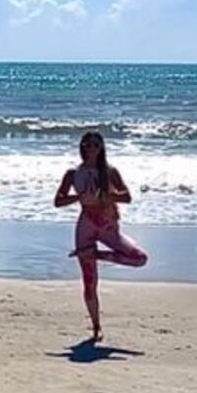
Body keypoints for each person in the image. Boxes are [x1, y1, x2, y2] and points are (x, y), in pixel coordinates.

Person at [54, 131, 148, 341]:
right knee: (89, 282)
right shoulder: (73, 173)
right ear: (82, 147)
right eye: (87, 144)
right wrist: (80, 197)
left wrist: (108, 196)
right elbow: (58, 201)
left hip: (108, 226)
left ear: (101, 148)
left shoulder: (110, 171)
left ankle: (95, 255)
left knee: (140, 258)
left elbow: (127, 197)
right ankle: (96, 325)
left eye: (96, 145)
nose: (91, 148)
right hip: (87, 224)